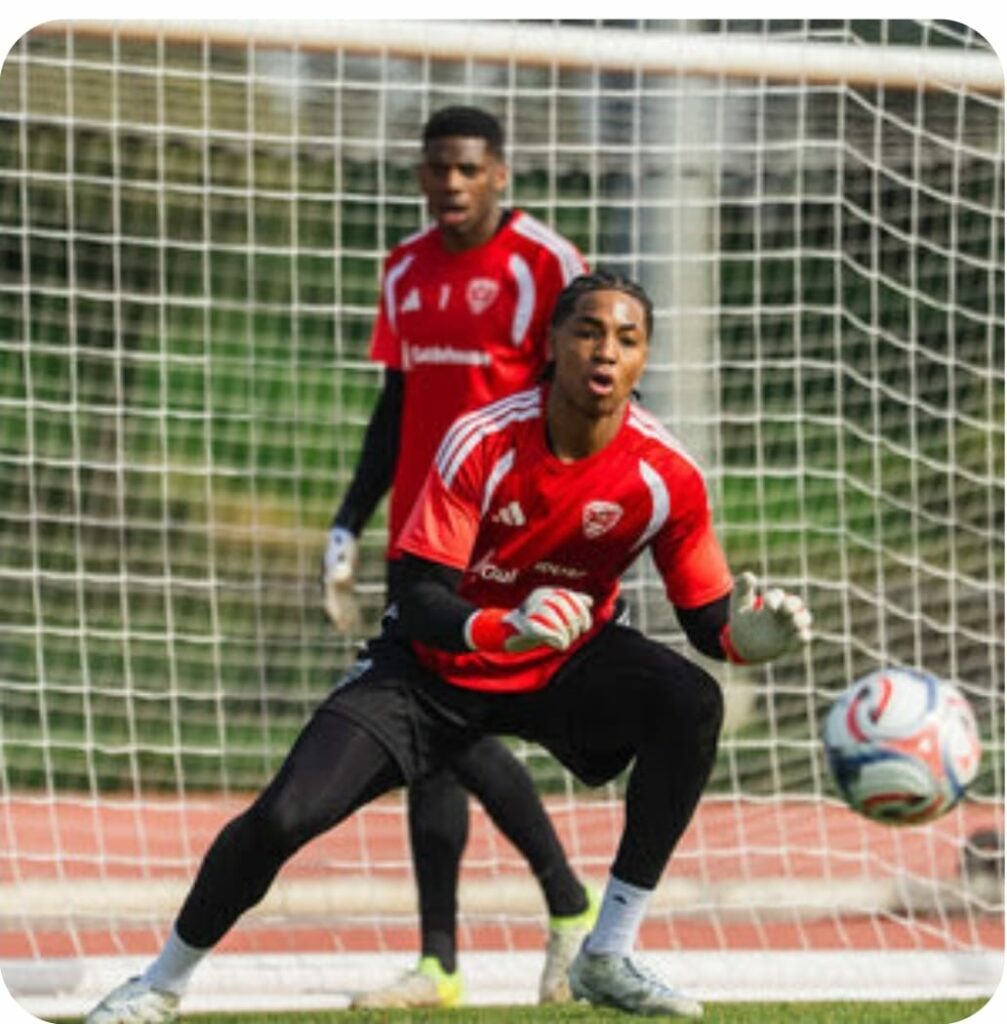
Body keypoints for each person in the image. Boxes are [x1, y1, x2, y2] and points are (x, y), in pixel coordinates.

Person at [84, 271, 812, 1023]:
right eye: (588, 331)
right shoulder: (482, 439)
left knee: (691, 701)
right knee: (283, 817)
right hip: (429, 673)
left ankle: (606, 952)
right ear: (552, 343)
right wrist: (506, 624)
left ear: (643, 360)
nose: (606, 351)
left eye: (627, 340)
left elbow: (706, 619)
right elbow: (419, 595)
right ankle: (159, 985)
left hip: (561, 668)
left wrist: (744, 638)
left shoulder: (667, 475)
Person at [321, 105, 595, 1007]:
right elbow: (395, 407)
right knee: (432, 738)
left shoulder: (545, 264)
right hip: (418, 530)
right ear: (420, 175)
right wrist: (349, 519)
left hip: (500, 530)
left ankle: (564, 905)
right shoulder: (403, 268)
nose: (451, 182)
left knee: (441, 717)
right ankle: (443, 962)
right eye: (437, 167)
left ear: (499, 173)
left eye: (468, 167)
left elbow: (580, 398)